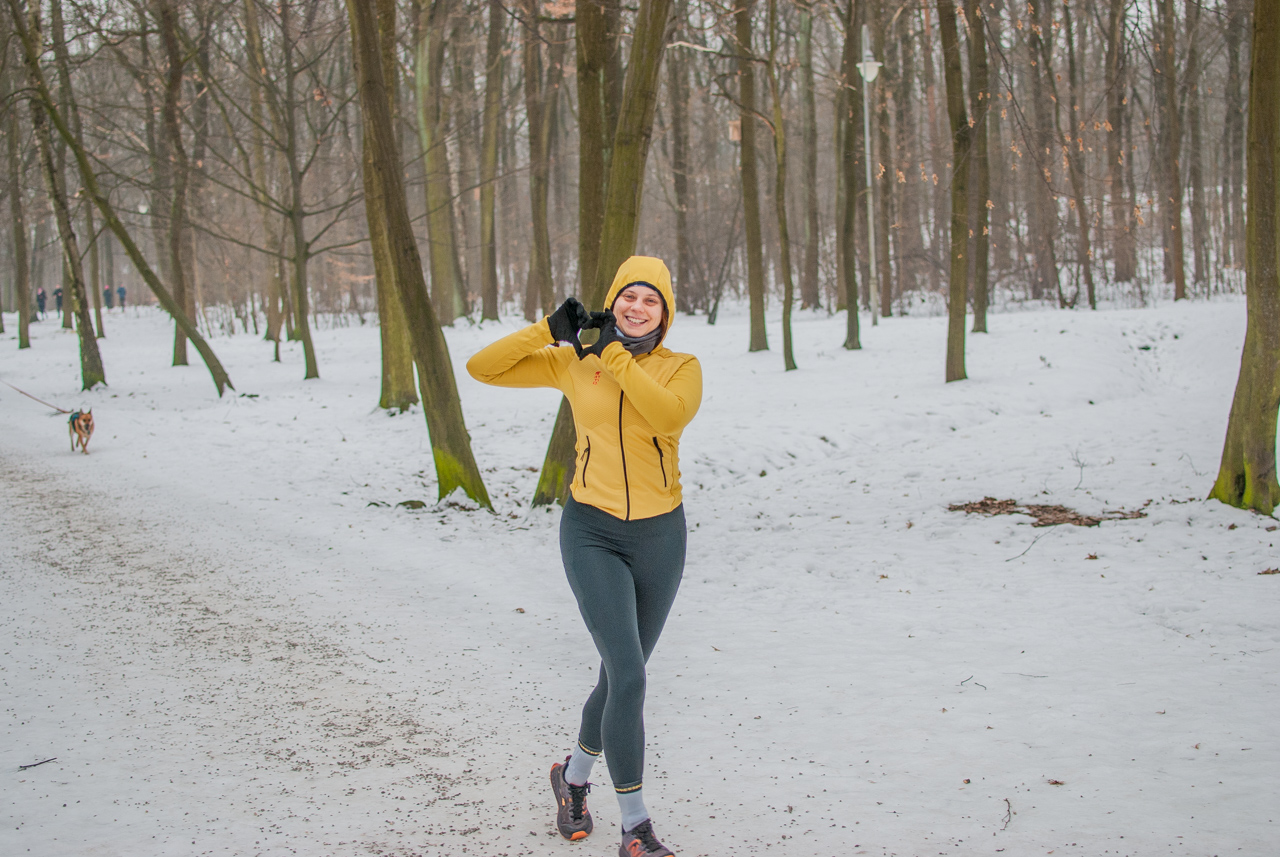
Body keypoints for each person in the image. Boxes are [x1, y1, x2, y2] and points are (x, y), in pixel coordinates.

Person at [467, 256, 702, 857]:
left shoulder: (681, 369)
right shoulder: (576, 363)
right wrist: (548, 332)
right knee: (629, 674)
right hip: (592, 532)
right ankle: (635, 825)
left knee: (620, 676)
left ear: (666, 313)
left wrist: (613, 353)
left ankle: (570, 779)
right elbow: (482, 369)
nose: (638, 307)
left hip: (660, 538)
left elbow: (666, 415)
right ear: (612, 300)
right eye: (629, 296)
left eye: (652, 300)